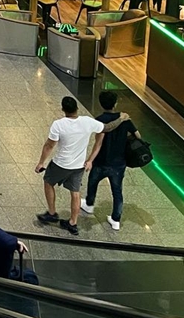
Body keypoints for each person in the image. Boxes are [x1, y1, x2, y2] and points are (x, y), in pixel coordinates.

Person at [36, 96, 131, 235]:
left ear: (63, 109)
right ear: (77, 108)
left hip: (60, 164)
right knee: (75, 193)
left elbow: (49, 145)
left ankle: (51, 213)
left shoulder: (59, 124)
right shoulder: (87, 121)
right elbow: (108, 127)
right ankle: (73, 223)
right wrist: (121, 118)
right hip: (78, 165)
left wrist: (41, 163)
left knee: (48, 182)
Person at [81, 91, 139, 231]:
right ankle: (116, 219)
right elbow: (137, 135)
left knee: (93, 181)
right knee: (117, 190)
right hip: (119, 163)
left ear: (101, 103)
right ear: (115, 104)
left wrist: (90, 160)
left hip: (101, 160)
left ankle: (89, 204)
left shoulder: (100, 119)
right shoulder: (125, 119)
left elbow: (98, 143)